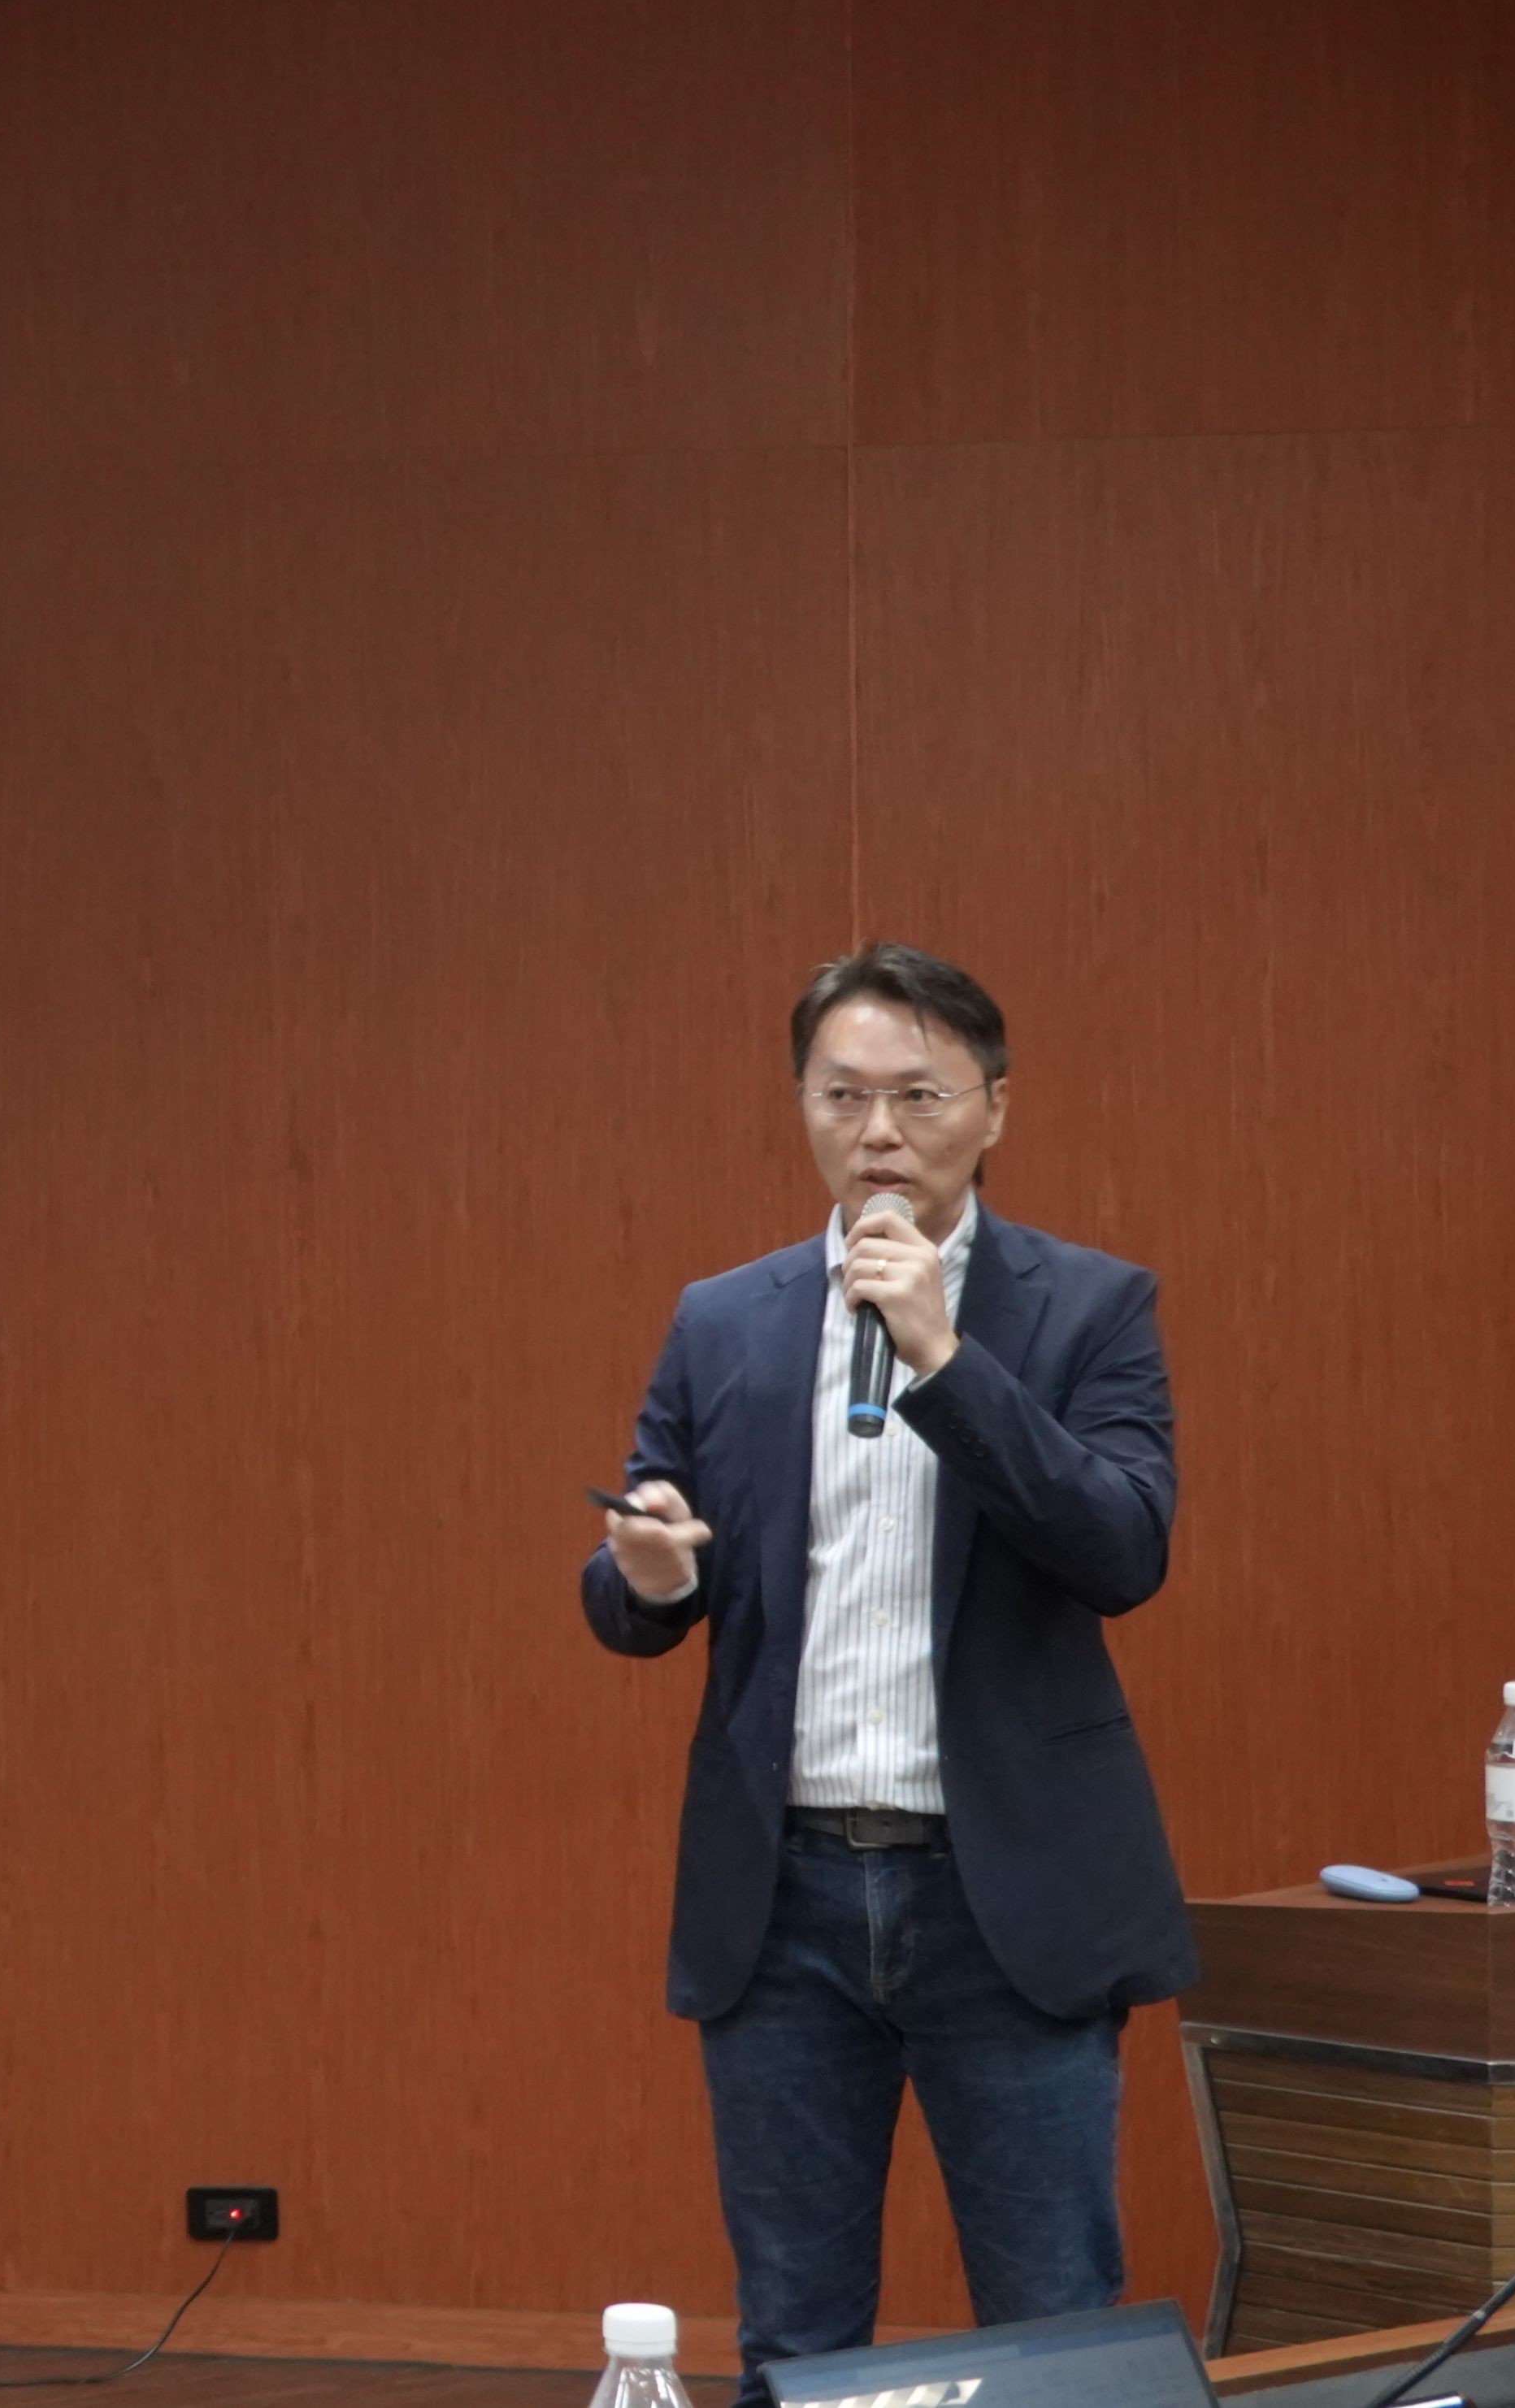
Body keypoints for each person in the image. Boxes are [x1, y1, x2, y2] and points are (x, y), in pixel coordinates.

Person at [581, 944, 1189, 2404]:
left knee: (1052, 2327)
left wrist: (941, 1349)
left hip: (1004, 1896)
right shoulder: (725, 1317)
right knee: (794, 2338)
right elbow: (641, 1573)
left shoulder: (1089, 1306)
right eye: (841, 1094)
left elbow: (1122, 1547)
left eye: (919, 1095)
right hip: (781, 1900)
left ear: (994, 1108)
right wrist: (647, 1573)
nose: (878, 1132)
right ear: (802, 1105)